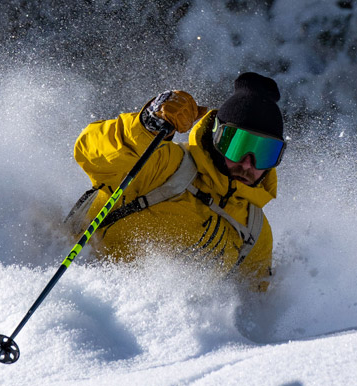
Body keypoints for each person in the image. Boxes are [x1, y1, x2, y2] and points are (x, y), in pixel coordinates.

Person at [73, 72, 285, 291]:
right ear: (217, 138)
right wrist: (148, 125)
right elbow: (91, 151)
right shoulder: (166, 166)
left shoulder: (254, 229)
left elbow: (254, 305)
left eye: (265, 153)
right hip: (84, 288)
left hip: (155, 321)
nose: (248, 164)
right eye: (238, 146)